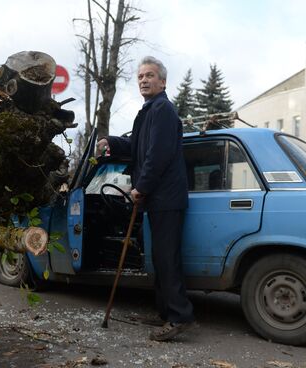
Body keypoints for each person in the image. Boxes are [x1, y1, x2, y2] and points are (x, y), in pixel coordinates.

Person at [97, 56, 195, 341]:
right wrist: (111, 141)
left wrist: (141, 186)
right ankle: (165, 312)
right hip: (159, 198)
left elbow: (158, 155)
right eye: (140, 76)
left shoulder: (163, 109)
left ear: (162, 81)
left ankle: (179, 317)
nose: (143, 80)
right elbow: (137, 147)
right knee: (159, 257)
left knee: (167, 258)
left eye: (149, 75)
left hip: (166, 197)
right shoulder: (150, 110)